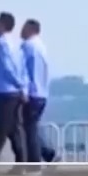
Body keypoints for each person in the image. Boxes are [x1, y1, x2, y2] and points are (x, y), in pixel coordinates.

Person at [0, 12, 27, 164]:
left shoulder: (1, 43)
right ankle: (21, 161)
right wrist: (22, 88)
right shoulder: (16, 45)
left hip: (4, 93)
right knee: (13, 129)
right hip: (13, 94)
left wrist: (18, 84)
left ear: (3, 25)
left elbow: (7, 67)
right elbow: (22, 69)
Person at [19, 19, 57, 164]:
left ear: (31, 29)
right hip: (42, 93)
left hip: (31, 93)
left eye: (24, 28)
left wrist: (25, 91)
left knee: (29, 129)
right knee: (32, 126)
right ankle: (47, 153)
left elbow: (24, 71)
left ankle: (34, 160)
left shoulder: (27, 46)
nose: (21, 31)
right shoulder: (41, 46)